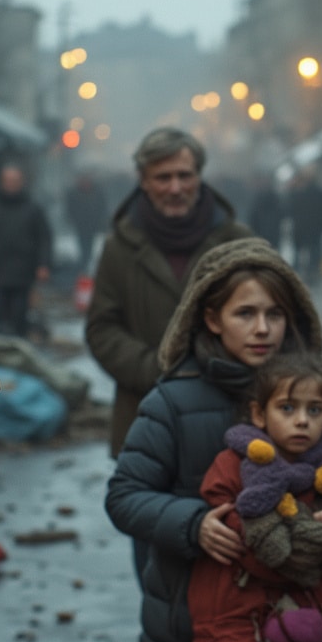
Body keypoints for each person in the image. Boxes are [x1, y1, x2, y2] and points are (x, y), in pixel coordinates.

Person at [104, 237, 322, 642]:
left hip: (299, 618)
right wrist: (193, 526)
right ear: (212, 318)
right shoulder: (171, 402)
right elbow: (124, 496)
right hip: (196, 624)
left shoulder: (303, 392)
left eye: (274, 314)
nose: (262, 329)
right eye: (245, 314)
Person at [86, 127, 252, 458]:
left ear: (199, 177)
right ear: (144, 181)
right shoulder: (119, 248)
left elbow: (269, 318)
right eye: (163, 178)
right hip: (145, 418)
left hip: (227, 421)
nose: (175, 188)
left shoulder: (237, 243)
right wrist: (156, 370)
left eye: (184, 176)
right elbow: (101, 329)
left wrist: (219, 367)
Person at [188, 352, 322, 642]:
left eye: (315, 410)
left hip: (311, 606)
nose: (302, 420)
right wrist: (304, 544)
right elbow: (244, 540)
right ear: (259, 414)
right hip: (240, 611)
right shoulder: (233, 466)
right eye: (287, 408)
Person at [0, 162, 53, 338]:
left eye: (15, 180)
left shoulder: (33, 208)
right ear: (1, 182)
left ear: (22, 182)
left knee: (19, 317)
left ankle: (18, 351)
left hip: (23, 274)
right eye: (7, 180)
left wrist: (44, 265)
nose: (11, 184)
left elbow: (44, 238)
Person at [286, 168, 322, 283]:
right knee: (313, 253)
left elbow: (289, 209)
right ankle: (311, 273)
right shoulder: (318, 192)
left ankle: (300, 274)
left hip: (303, 229)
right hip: (313, 229)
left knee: (302, 252)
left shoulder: (298, 193)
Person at [64, 172, 108, 277]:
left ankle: (86, 266)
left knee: (90, 246)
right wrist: (73, 220)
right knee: (83, 246)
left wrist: (101, 220)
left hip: (92, 225)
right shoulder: (74, 193)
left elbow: (102, 207)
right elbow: (70, 209)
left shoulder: (97, 192)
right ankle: (83, 266)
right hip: (81, 225)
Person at [245, 172, 286, 251]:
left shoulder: (259, 197)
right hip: (268, 232)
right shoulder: (274, 197)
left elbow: (253, 215)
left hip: (267, 232)